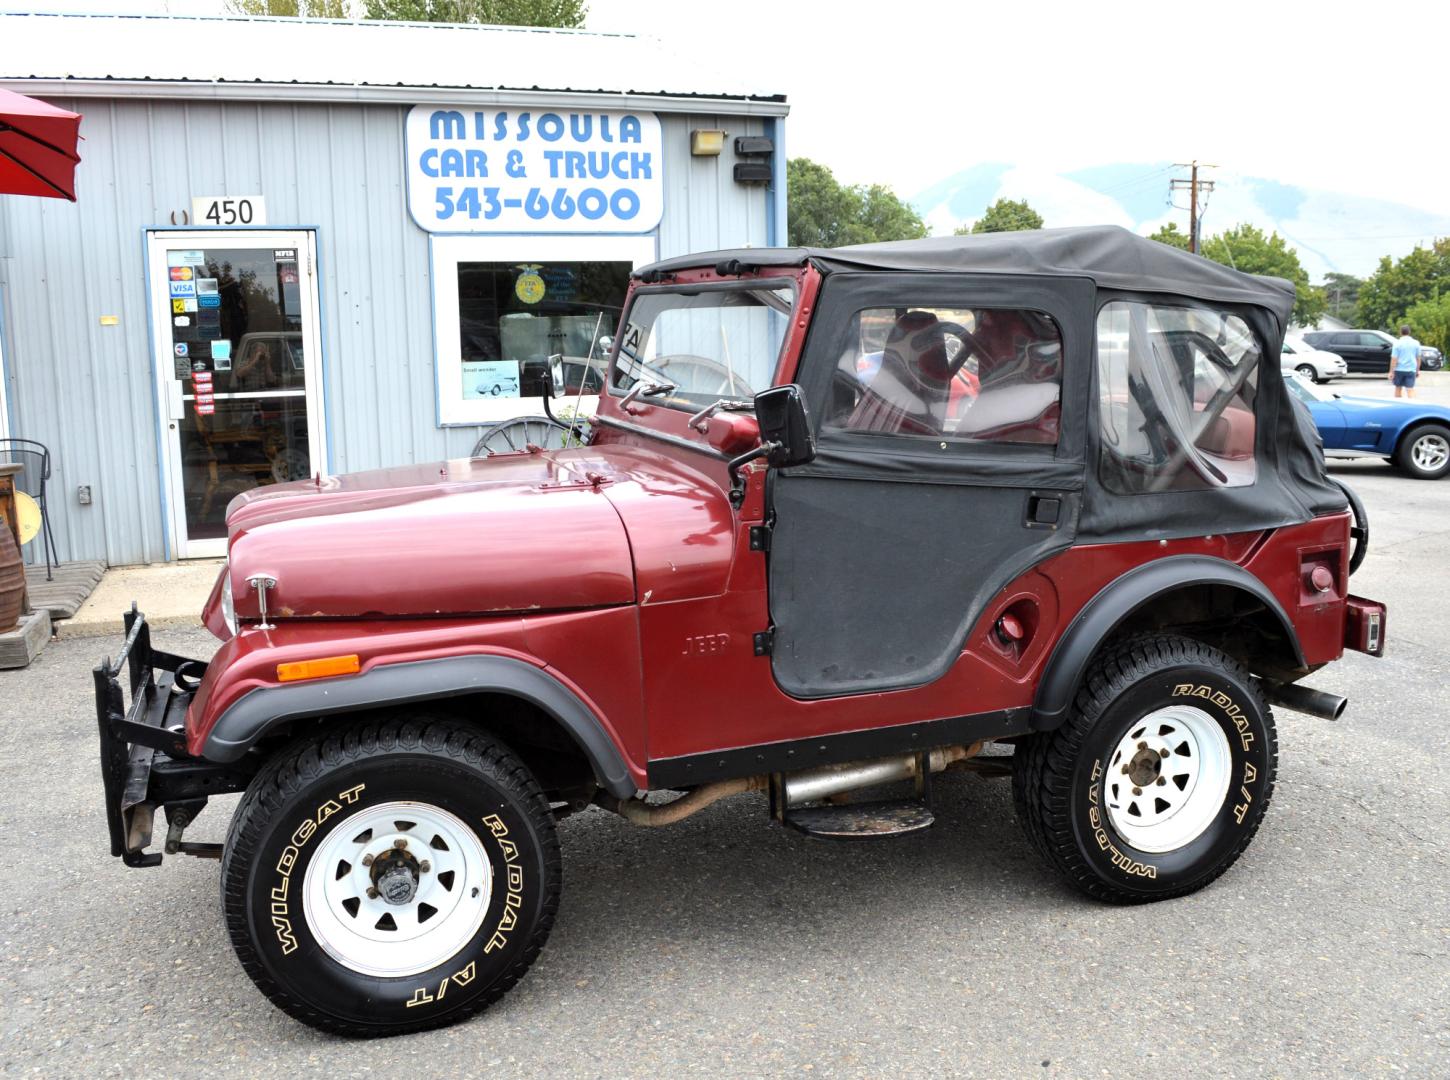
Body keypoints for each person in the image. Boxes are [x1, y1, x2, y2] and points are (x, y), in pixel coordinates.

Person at [1389, 324, 1421, 399]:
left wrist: (1391, 371)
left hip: (1399, 370)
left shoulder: (1397, 343)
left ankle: (1398, 406)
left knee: (1398, 388)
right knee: (1410, 389)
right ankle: (1412, 406)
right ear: (1409, 332)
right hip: (1411, 370)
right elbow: (1418, 358)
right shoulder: (1416, 343)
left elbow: (1394, 359)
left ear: (1400, 332)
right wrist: (1417, 370)